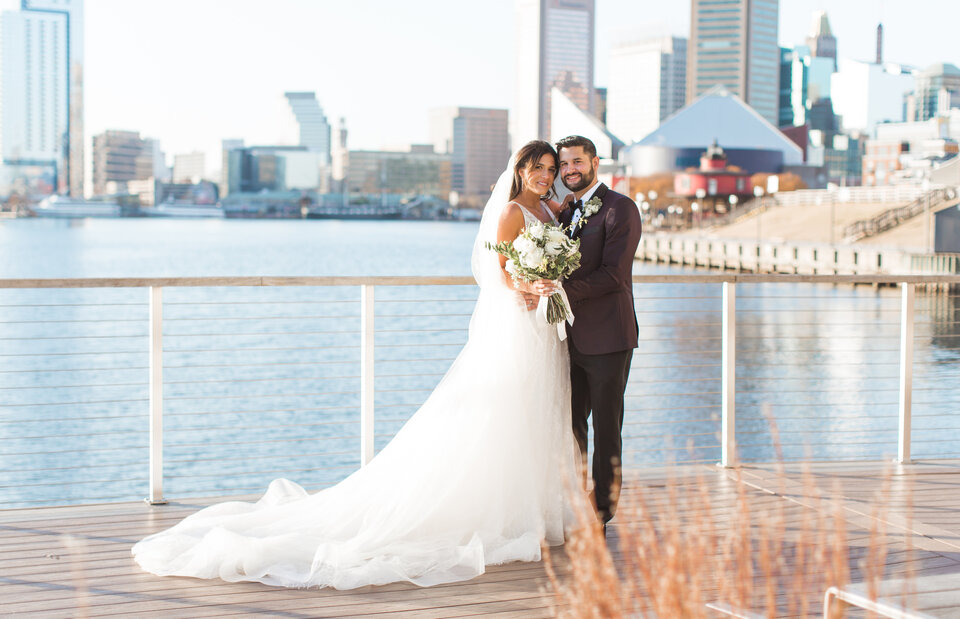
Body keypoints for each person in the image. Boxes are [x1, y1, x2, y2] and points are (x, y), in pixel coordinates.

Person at [131, 141, 583, 590]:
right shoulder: (510, 213)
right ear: (520, 170)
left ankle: (532, 511)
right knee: (501, 414)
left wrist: (546, 280)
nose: (544, 175)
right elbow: (499, 269)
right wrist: (525, 283)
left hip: (543, 328)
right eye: (537, 168)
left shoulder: (548, 212)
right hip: (516, 327)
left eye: (549, 168)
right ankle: (498, 513)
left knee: (535, 413)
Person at [555, 135, 641, 530]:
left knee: (606, 428)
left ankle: (602, 512)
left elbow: (614, 274)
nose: (570, 169)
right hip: (567, 338)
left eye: (577, 161)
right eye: (564, 163)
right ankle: (575, 501)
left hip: (608, 338)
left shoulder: (620, 209)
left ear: (594, 162)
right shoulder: (565, 210)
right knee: (570, 425)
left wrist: (559, 291)